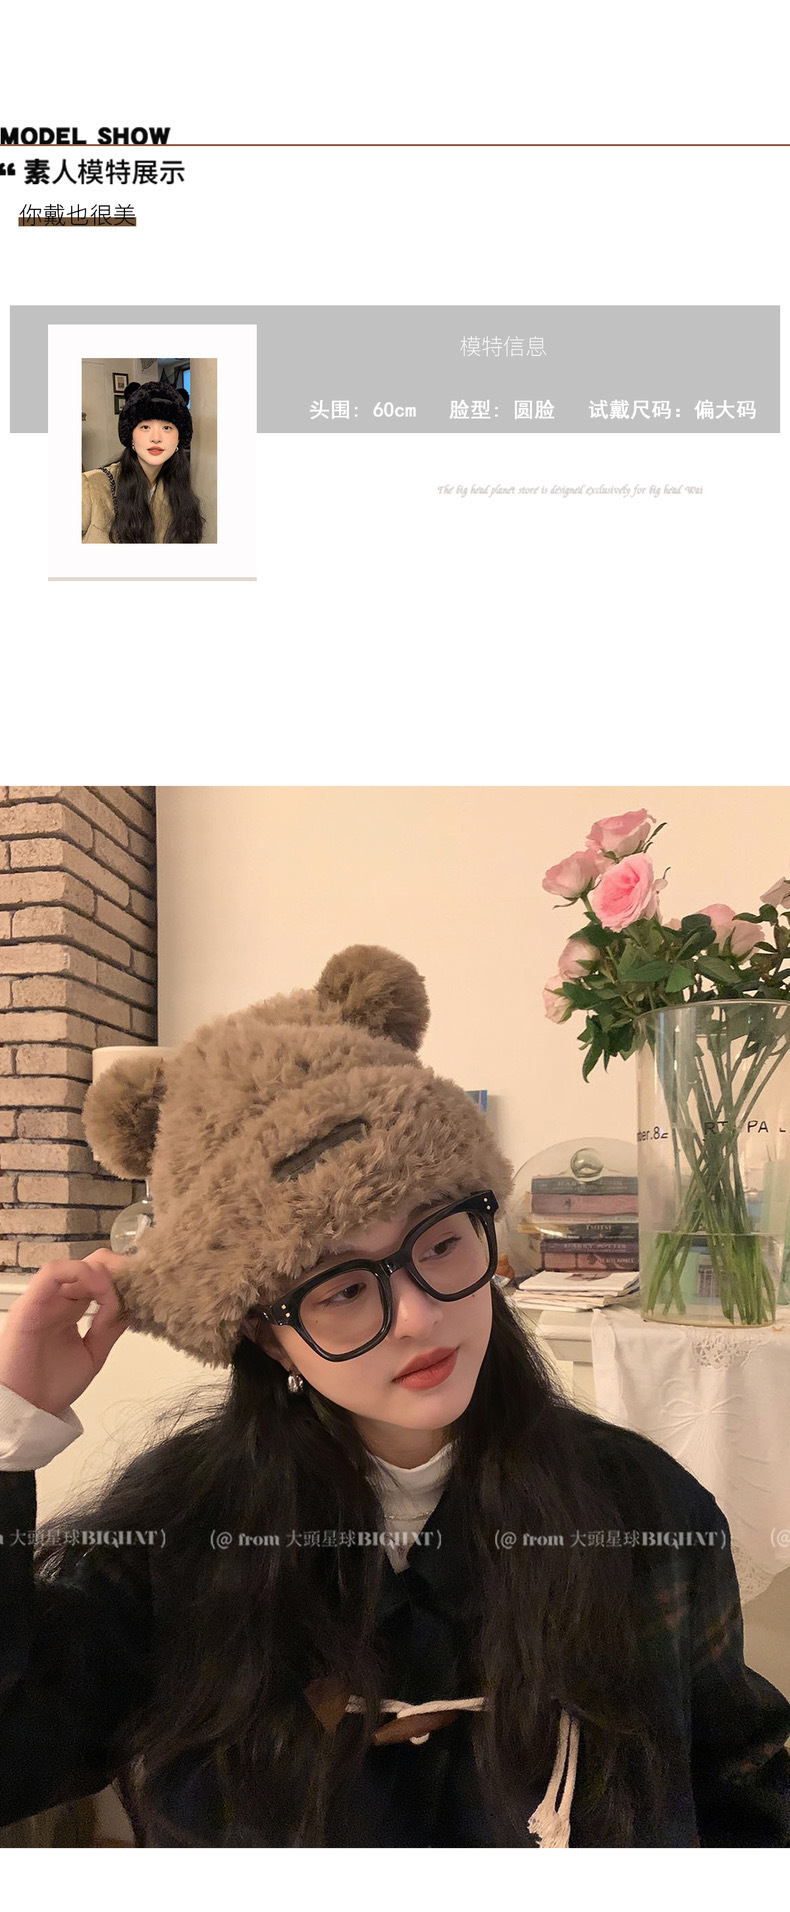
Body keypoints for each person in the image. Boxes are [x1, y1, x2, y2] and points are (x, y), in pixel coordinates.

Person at [0, 944, 789, 1848]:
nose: (418, 1315)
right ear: (264, 1332)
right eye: (341, 1289)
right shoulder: (180, 1533)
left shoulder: (641, 1508)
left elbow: (745, 1783)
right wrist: (12, 1432)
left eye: (441, 1242)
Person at [81, 378, 205, 544]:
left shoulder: (180, 493)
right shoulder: (90, 487)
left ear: (179, 439)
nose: (156, 438)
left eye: (167, 427)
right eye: (145, 427)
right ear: (131, 435)